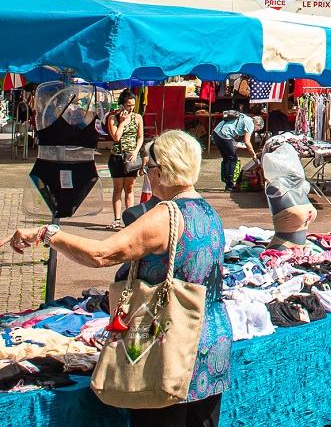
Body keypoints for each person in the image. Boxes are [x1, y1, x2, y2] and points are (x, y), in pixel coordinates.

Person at [10, 130, 231, 426]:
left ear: (162, 170)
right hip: (211, 340)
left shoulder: (167, 214)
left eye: (148, 169)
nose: (147, 175)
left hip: (169, 343)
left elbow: (100, 254)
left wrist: (47, 234)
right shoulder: (207, 211)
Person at [105, 92, 144, 230]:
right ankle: (116, 219)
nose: (131, 108)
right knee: (118, 188)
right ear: (122, 105)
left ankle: (130, 219)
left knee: (130, 188)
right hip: (117, 156)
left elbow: (140, 137)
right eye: (128, 105)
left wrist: (135, 151)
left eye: (133, 105)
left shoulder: (137, 118)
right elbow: (116, 137)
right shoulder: (113, 118)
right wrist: (121, 122)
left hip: (131, 157)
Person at [211, 106, 256, 192]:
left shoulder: (243, 117)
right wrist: (253, 155)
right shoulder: (251, 124)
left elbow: (235, 129)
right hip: (224, 135)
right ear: (257, 124)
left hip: (216, 133)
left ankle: (227, 181)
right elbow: (247, 141)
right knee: (233, 159)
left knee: (227, 158)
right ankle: (230, 185)